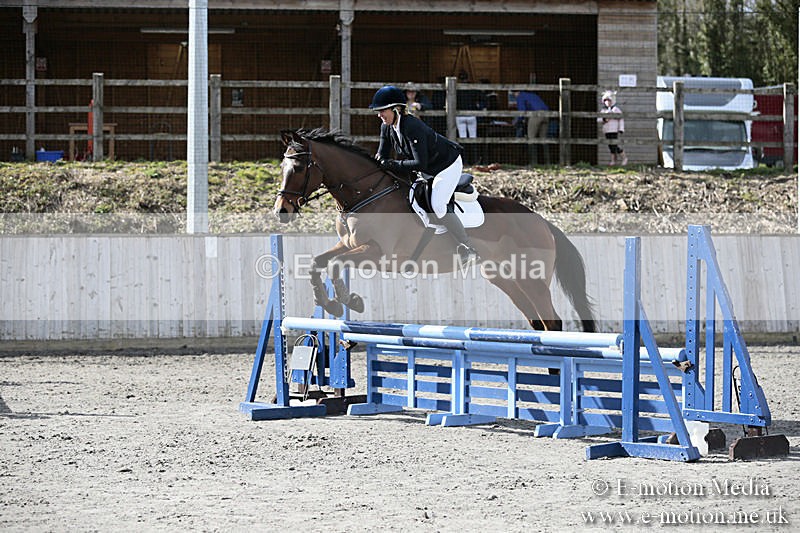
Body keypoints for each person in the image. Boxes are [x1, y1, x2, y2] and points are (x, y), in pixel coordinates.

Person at [369, 85, 479, 267]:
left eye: (382, 111)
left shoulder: (411, 126)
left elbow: (421, 163)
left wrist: (393, 165)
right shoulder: (386, 127)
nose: (379, 115)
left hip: (446, 165)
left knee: (437, 204)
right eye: (378, 111)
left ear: (396, 109)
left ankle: (467, 247)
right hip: (427, 168)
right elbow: (382, 156)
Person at [513, 90, 550, 165]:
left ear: (516, 92)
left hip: (535, 114)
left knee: (531, 138)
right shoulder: (532, 95)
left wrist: (515, 121)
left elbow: (522, 111)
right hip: (546, 114)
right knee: (543, 139)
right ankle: (547, 162)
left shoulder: (520, 96)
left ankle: (533, 163)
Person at [598, 90, 628, 165]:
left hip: (614, 130)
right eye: (606, 101)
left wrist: (621, 129)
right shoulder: (603, 110)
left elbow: (621, 119)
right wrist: (604, 119)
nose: (607, 102)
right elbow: (599, 119)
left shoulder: (616, 110)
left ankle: (624, 158)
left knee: (614, 145)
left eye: (609, 101)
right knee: (610, 146)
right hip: (607, 130)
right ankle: (613, 161)